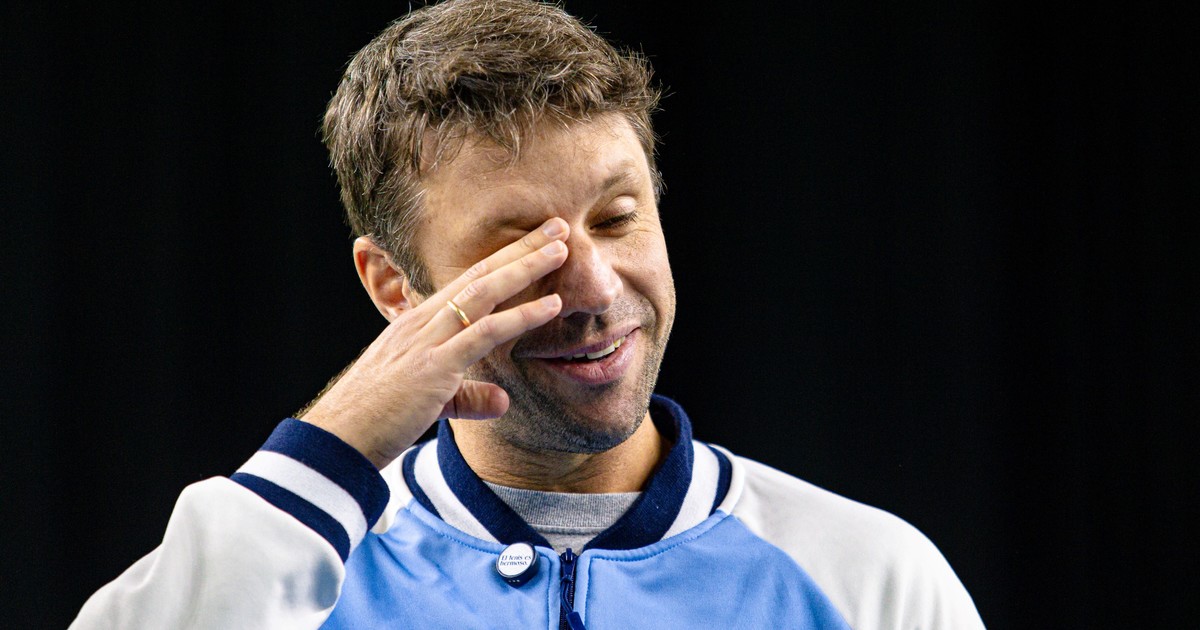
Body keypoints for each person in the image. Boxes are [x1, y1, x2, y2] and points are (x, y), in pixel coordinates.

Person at [71, 1, 985, 628]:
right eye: (521, 249)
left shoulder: (870, 578)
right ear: (393, 287)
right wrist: (331, 450)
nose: (595, 290)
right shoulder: (294, 564)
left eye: (618, 219)